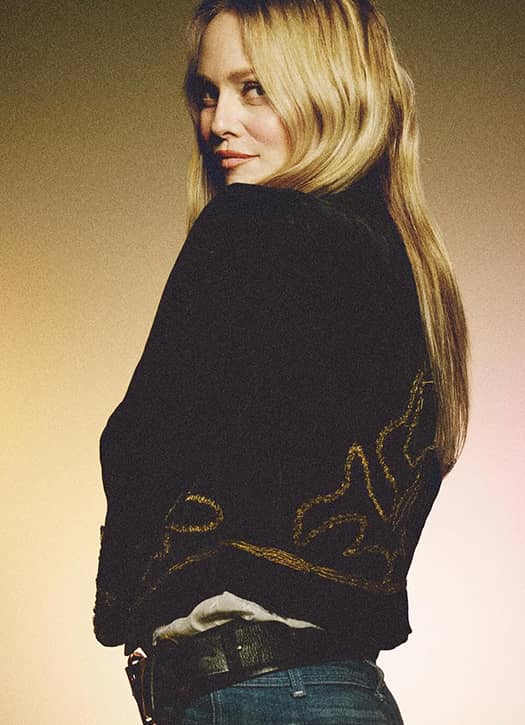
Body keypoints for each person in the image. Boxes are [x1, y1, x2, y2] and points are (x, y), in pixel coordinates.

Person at [94, 1, 469, 723]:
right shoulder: (408, 270)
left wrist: (124, 608)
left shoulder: (250, 225)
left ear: (330, 89)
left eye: (254, 88)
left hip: (255, 692)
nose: (219, 122)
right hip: (342, 690)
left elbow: (144, 445)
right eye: (207, 93)